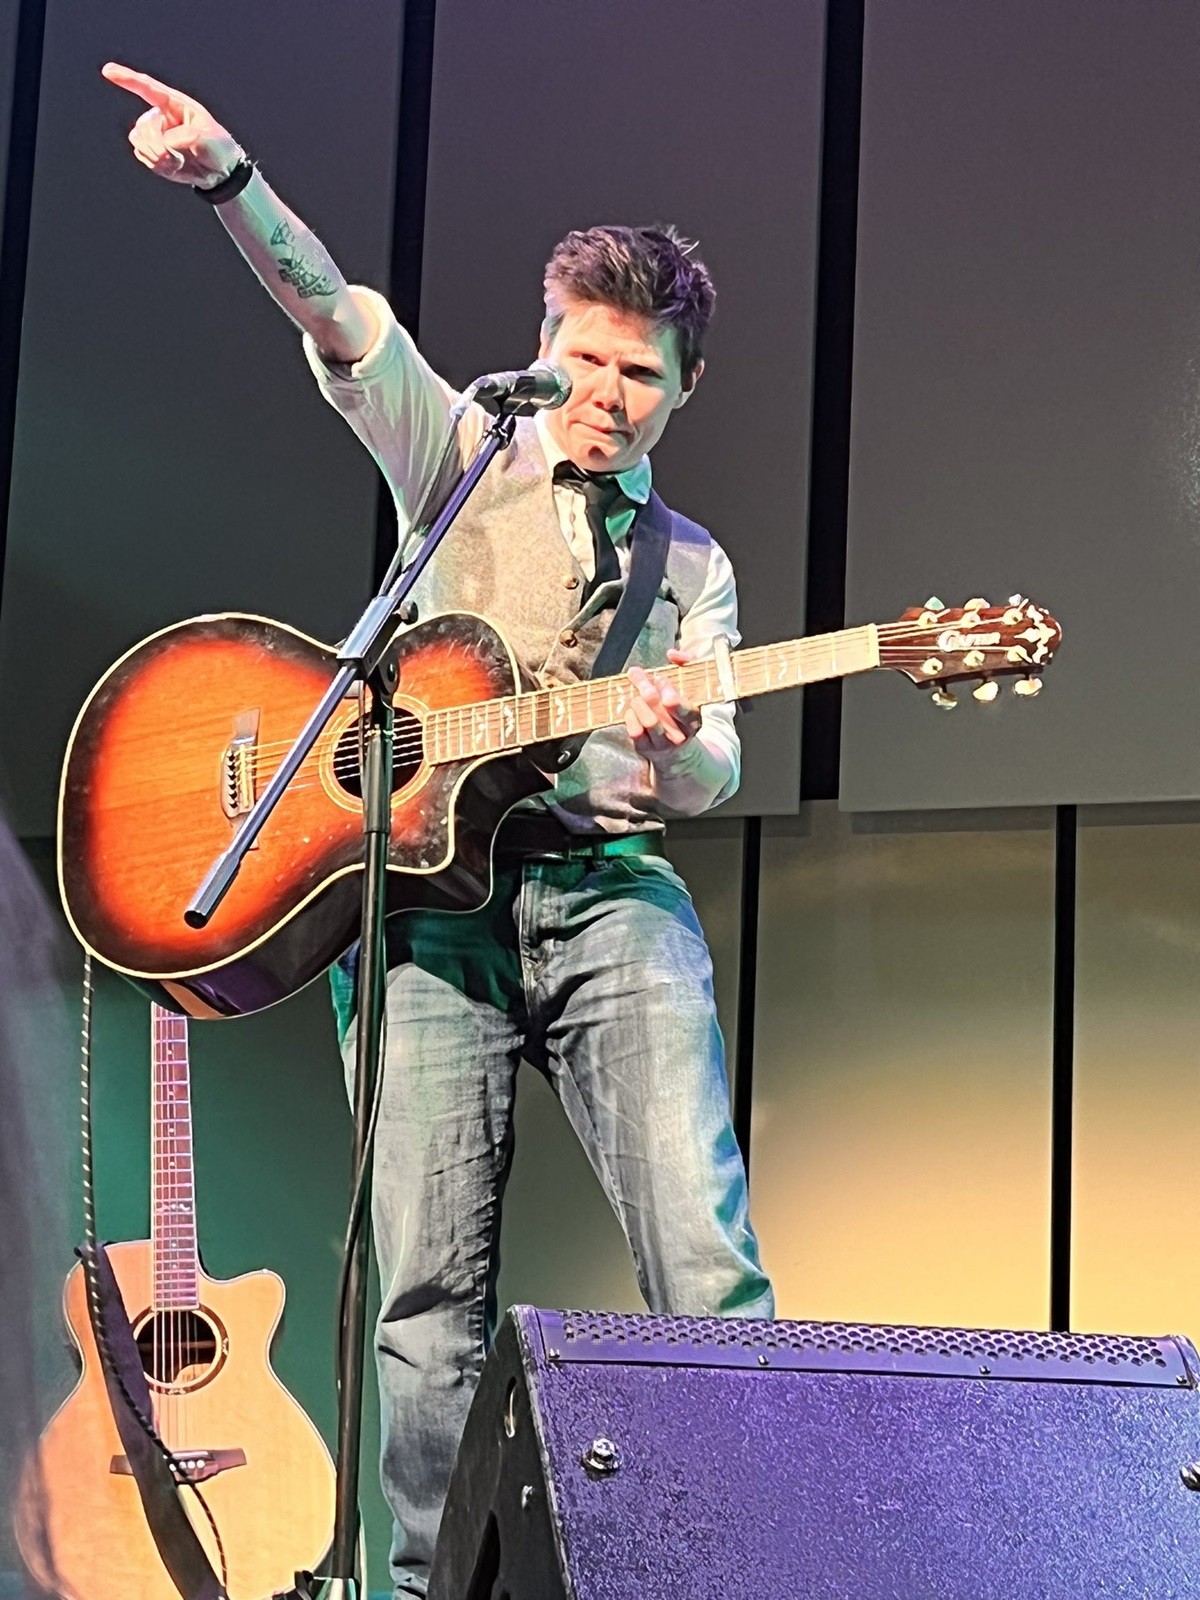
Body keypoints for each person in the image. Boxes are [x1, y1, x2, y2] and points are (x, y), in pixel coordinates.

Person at [104, 63, 775, 1597]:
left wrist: (673, 746)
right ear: (544, 345)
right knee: (422, 1296)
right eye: (585, 357)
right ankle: (419, 1586)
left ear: (684, 389)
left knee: (707, 1261)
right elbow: (337, 315)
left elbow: (721, 765)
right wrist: (229, 181)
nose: (606, 392)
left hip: (608, 894)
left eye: (641, 374)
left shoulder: (694, 568)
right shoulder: (459, 447)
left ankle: (743, 1562)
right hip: (420, 908)